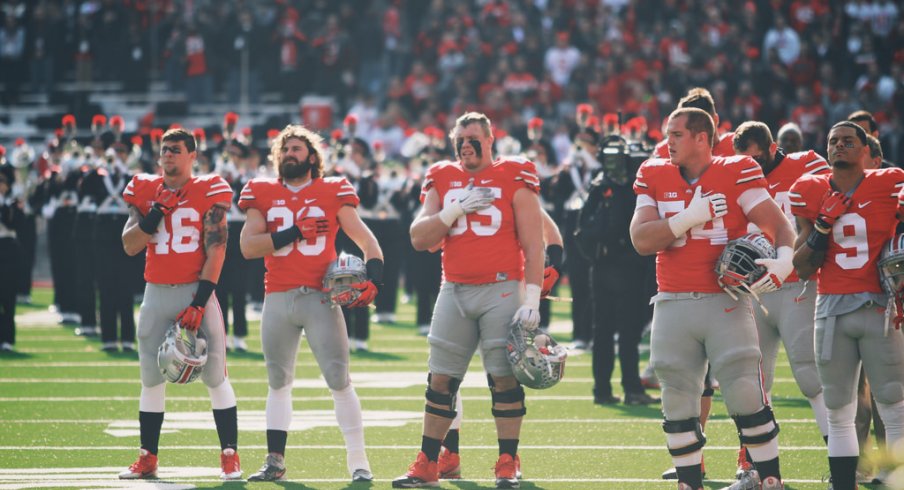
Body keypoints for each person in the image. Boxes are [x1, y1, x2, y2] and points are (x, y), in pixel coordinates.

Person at [630, 108, 794, 490]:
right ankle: (689, 482)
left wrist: (784, 262)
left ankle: (770, 480)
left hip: (725, 302)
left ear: (702, 138)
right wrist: (687, 218)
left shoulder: (737, 170)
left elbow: (780, 227)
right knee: (676, 399)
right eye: (667, 133)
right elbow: (640, 241)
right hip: (672, 300)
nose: (667, 140)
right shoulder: (653, 173)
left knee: (745, 393)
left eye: (677, 134)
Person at [393, 112, 544, 489]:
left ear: (490, 140)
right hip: (455, 288)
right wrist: (453, 209)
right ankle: (430, 461)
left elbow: (533, 241)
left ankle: (508, 459)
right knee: (440, 378)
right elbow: (419, 237)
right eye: (460, 139)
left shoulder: (515, 173)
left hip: (502, 289)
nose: (465, 146)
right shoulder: (442, 176)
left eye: (473, 138)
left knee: (504, 378)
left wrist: (533, 296)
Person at [238, 124, 381, 483]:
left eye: (297, 149)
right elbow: (248, 247)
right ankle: (275, 461)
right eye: (284, 150)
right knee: (277, 380)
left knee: (338, 378)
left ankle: (359, 461)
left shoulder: (332, 189)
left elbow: (367, 241)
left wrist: (375, 280)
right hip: (278, 295)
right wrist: (295, 231)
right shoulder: (262, 190)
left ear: (312, 157)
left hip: (321, 297)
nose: (289, 155)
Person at [119, 128, 241, 480]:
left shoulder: (209, 188)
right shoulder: (145, 189)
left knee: (216, 374)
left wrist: (200, 302)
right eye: (164, 150)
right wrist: (157, 210)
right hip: (156, 290)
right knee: (151, 377)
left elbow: (217, 249)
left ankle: (229, 454)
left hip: (194, 289)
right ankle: (148, 457)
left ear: (193, 156)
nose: (168, 155)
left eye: (175, 150)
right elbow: (129, 244)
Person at [790, 121, 904, 489]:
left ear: (864, 150)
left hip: (880, 306)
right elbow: (802, 266)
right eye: (833, 141)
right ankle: (844, 484)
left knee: (894, 404)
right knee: (839, 410)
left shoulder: (890, 184)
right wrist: (823, 225)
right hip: (831, 308)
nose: (839, 146)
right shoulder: (808, 190)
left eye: (848, 141)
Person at [732, 120, 831, 466]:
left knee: (810, 376)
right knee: (753, 382)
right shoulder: (734, 174)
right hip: (754, 291)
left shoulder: (808, 166)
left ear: (773, 149)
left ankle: (843, 464)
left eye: (756, 160)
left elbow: (829, 215)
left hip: (798, 285)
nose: (750, 168)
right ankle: (754, 468)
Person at [0, 168, 24, 352]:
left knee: (8, 296)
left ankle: (8, 339)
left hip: (8, 247)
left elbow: (14, 225)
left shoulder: (12, 205)